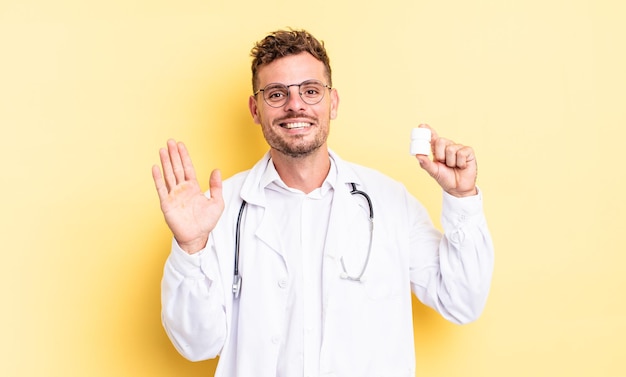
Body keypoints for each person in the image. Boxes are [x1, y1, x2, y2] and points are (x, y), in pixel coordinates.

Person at [152, 29, 494, 377]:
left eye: (310, 91)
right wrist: (191, 247)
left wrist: (462, 199)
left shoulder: (390, 203)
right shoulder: (219, 214)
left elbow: (462, 301)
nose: (295, 105)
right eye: (276, 94)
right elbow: (197, 345)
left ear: (333, 102)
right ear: (255, 109)